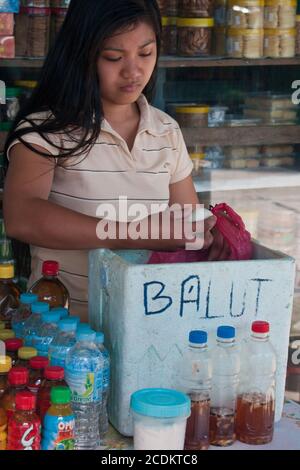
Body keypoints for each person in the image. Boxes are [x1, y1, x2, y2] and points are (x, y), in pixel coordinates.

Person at [3, 0, 228, 321]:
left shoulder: (165, 131)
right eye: (114, 57)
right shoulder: (45, 131)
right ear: (83, 54)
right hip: (66, 331)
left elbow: (186, 224)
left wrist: (211, 233)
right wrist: (133, 232)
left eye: (146, 53)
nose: (133, 71)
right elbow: (22, 217)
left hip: (145, 320)